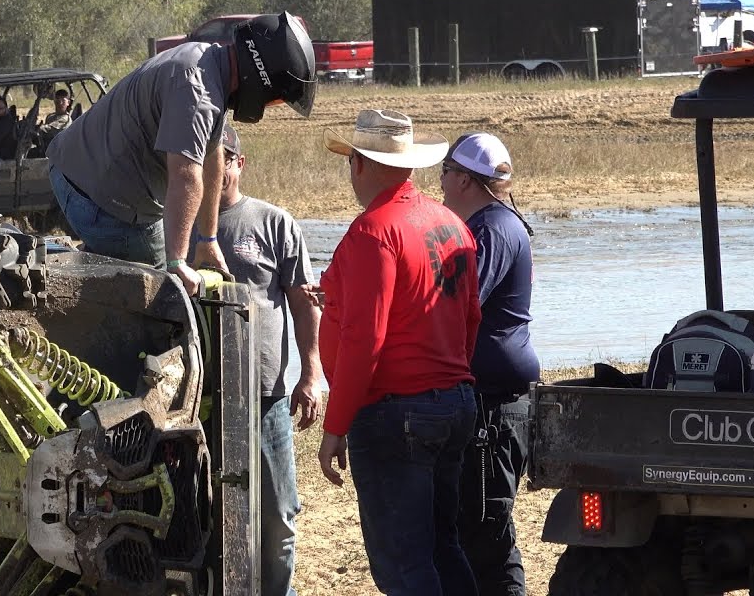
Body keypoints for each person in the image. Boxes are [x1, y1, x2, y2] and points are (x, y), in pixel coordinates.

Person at [316, 108, 481, 596]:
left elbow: (364, 340)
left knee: (405, 567)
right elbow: (471, 318)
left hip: (397, 412)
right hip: (452, 402)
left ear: (361, 165)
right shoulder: (451, 223)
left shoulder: (374, 232)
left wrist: (335, 425)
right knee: (441, 546)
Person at [47, 12, 316, 295]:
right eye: (273, 99)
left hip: (77, 173)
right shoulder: (198, 91)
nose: (268, 105)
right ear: (261, 77)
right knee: (161, 295)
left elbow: (211, 157)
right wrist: (176, 262)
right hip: (94, 197)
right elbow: (186, 175)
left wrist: (208, 239)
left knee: (157, 258)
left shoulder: (210, 65)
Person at [197, 123, 322, 596]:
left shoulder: (273, 222)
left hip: (266, 395)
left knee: (278, 519)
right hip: (200, 399)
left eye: (222, 158)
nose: (214, 167)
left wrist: (311, 372)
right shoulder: (180, 224)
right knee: (208, 513)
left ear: (238, 163)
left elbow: (304, 302)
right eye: (205, 158)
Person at [440, 132, 538, 596]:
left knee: (486, 534)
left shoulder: (491, 230)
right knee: (474, 527)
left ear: (464, 179)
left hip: (494, 410)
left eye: (445, 173)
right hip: (492, 402)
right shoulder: (495, 223)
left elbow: (461, 304)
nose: (439, 184)